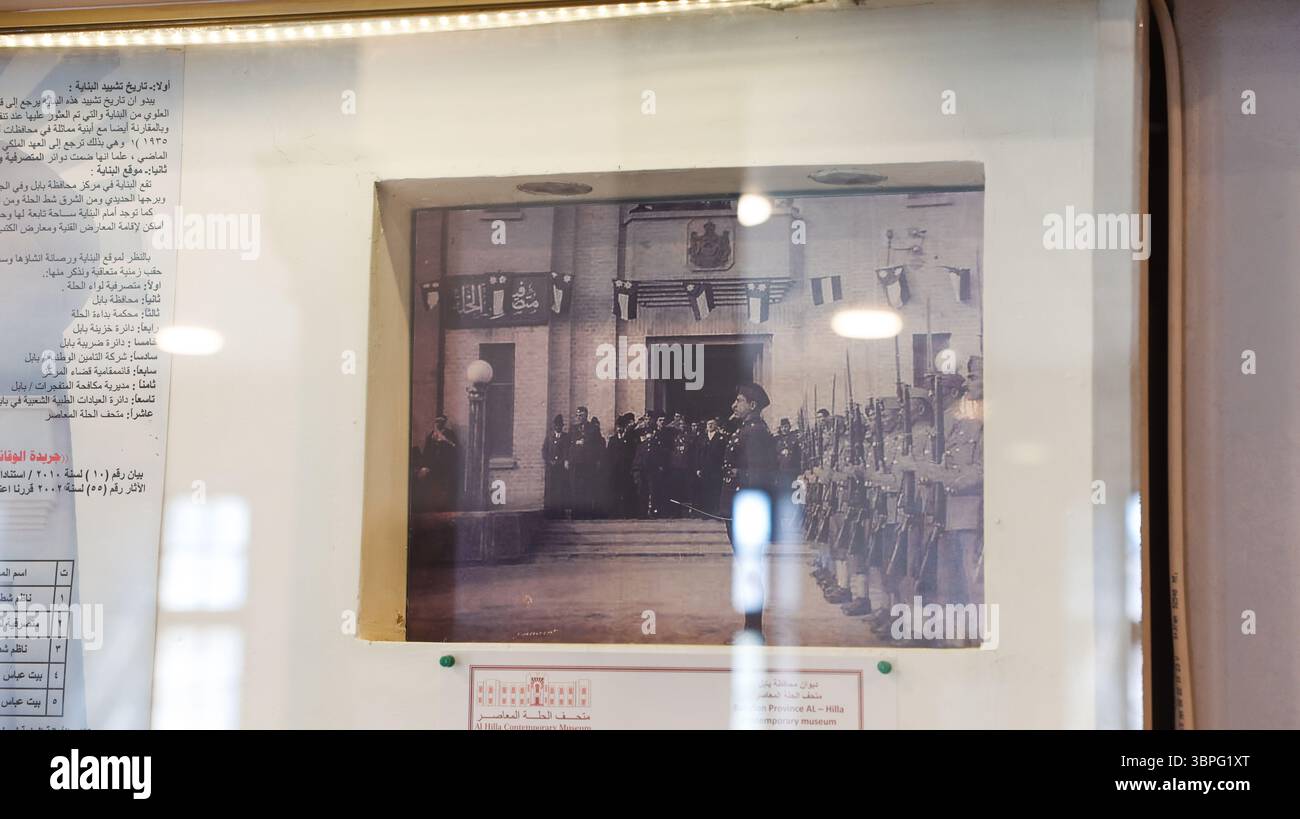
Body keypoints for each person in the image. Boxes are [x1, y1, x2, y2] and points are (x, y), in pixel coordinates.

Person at [721, 383, 778, 637]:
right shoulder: (744, 429)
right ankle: (751, 627)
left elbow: (761, 475)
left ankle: (754, 630)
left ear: (752, 405)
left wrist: (737, 473)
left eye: (739, 400)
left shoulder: (754, 432)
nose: (734, 405)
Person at [421, 415, 461, 511]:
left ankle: (446, 507)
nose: (438, 423)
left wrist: (445, 440)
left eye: (441, 421)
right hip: (434, 466)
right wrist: (425, 466)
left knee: (446, 488)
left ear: (444, 422)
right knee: (434, 488)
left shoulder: (450, 434)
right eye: (437, 421)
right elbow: (426, 452)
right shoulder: (431, 435)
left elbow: (456, 448)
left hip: (446, 466)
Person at [608, 413, 640, 518]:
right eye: (618, 427)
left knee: (627, 491)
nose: (619, 429)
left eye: (621, 427)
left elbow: (633, 452)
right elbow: (609, 455)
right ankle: (615, 513)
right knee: (616, 491)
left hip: (627, 469)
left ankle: (628, 512)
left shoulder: (630, 439)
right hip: (616, 470)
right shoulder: (612, 440)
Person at [696, 416, 728, 516]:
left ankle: (715, 511)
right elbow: (698, 453)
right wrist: (698, 468)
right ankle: (706, 512)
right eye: (708, 423)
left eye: (712, 423)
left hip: (716, 468)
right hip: (704, 468)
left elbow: (724, 453)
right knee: (705, 489)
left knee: (715, 489)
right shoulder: (702, 438)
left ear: (716, 425)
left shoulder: (721, 438)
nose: (710, 425)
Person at [541, 414, 569, 519]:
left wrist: (560, 462)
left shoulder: (566, 437)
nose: (558, 427)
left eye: (560, 425)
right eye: (556, 425)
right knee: (551, 490)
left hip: (560, 469)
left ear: (562, 426)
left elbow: (567, 452)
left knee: (560, 490)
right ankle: (550, 513)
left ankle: (560, 513)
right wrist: (549, 461)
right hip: (551, 469)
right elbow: (544, 451)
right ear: (554, 426)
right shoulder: (549, 438)